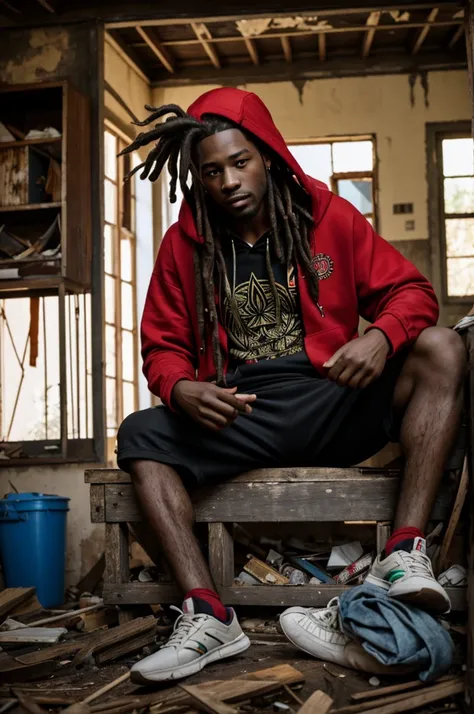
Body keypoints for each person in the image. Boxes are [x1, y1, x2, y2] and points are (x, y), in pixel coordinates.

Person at [117, 88, 466, 684]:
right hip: (240, 414)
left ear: (270, 154)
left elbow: (413, 294)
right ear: (197, 179)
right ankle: (209, 616)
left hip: (332, 400)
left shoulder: (330, 217)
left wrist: (380, 336)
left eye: (240, 160)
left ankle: (403, 557)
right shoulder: (184, 246)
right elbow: (162, 345)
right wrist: (180, 389)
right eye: (212, 170)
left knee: (441, 346)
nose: (228, 180)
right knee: (140, 433)